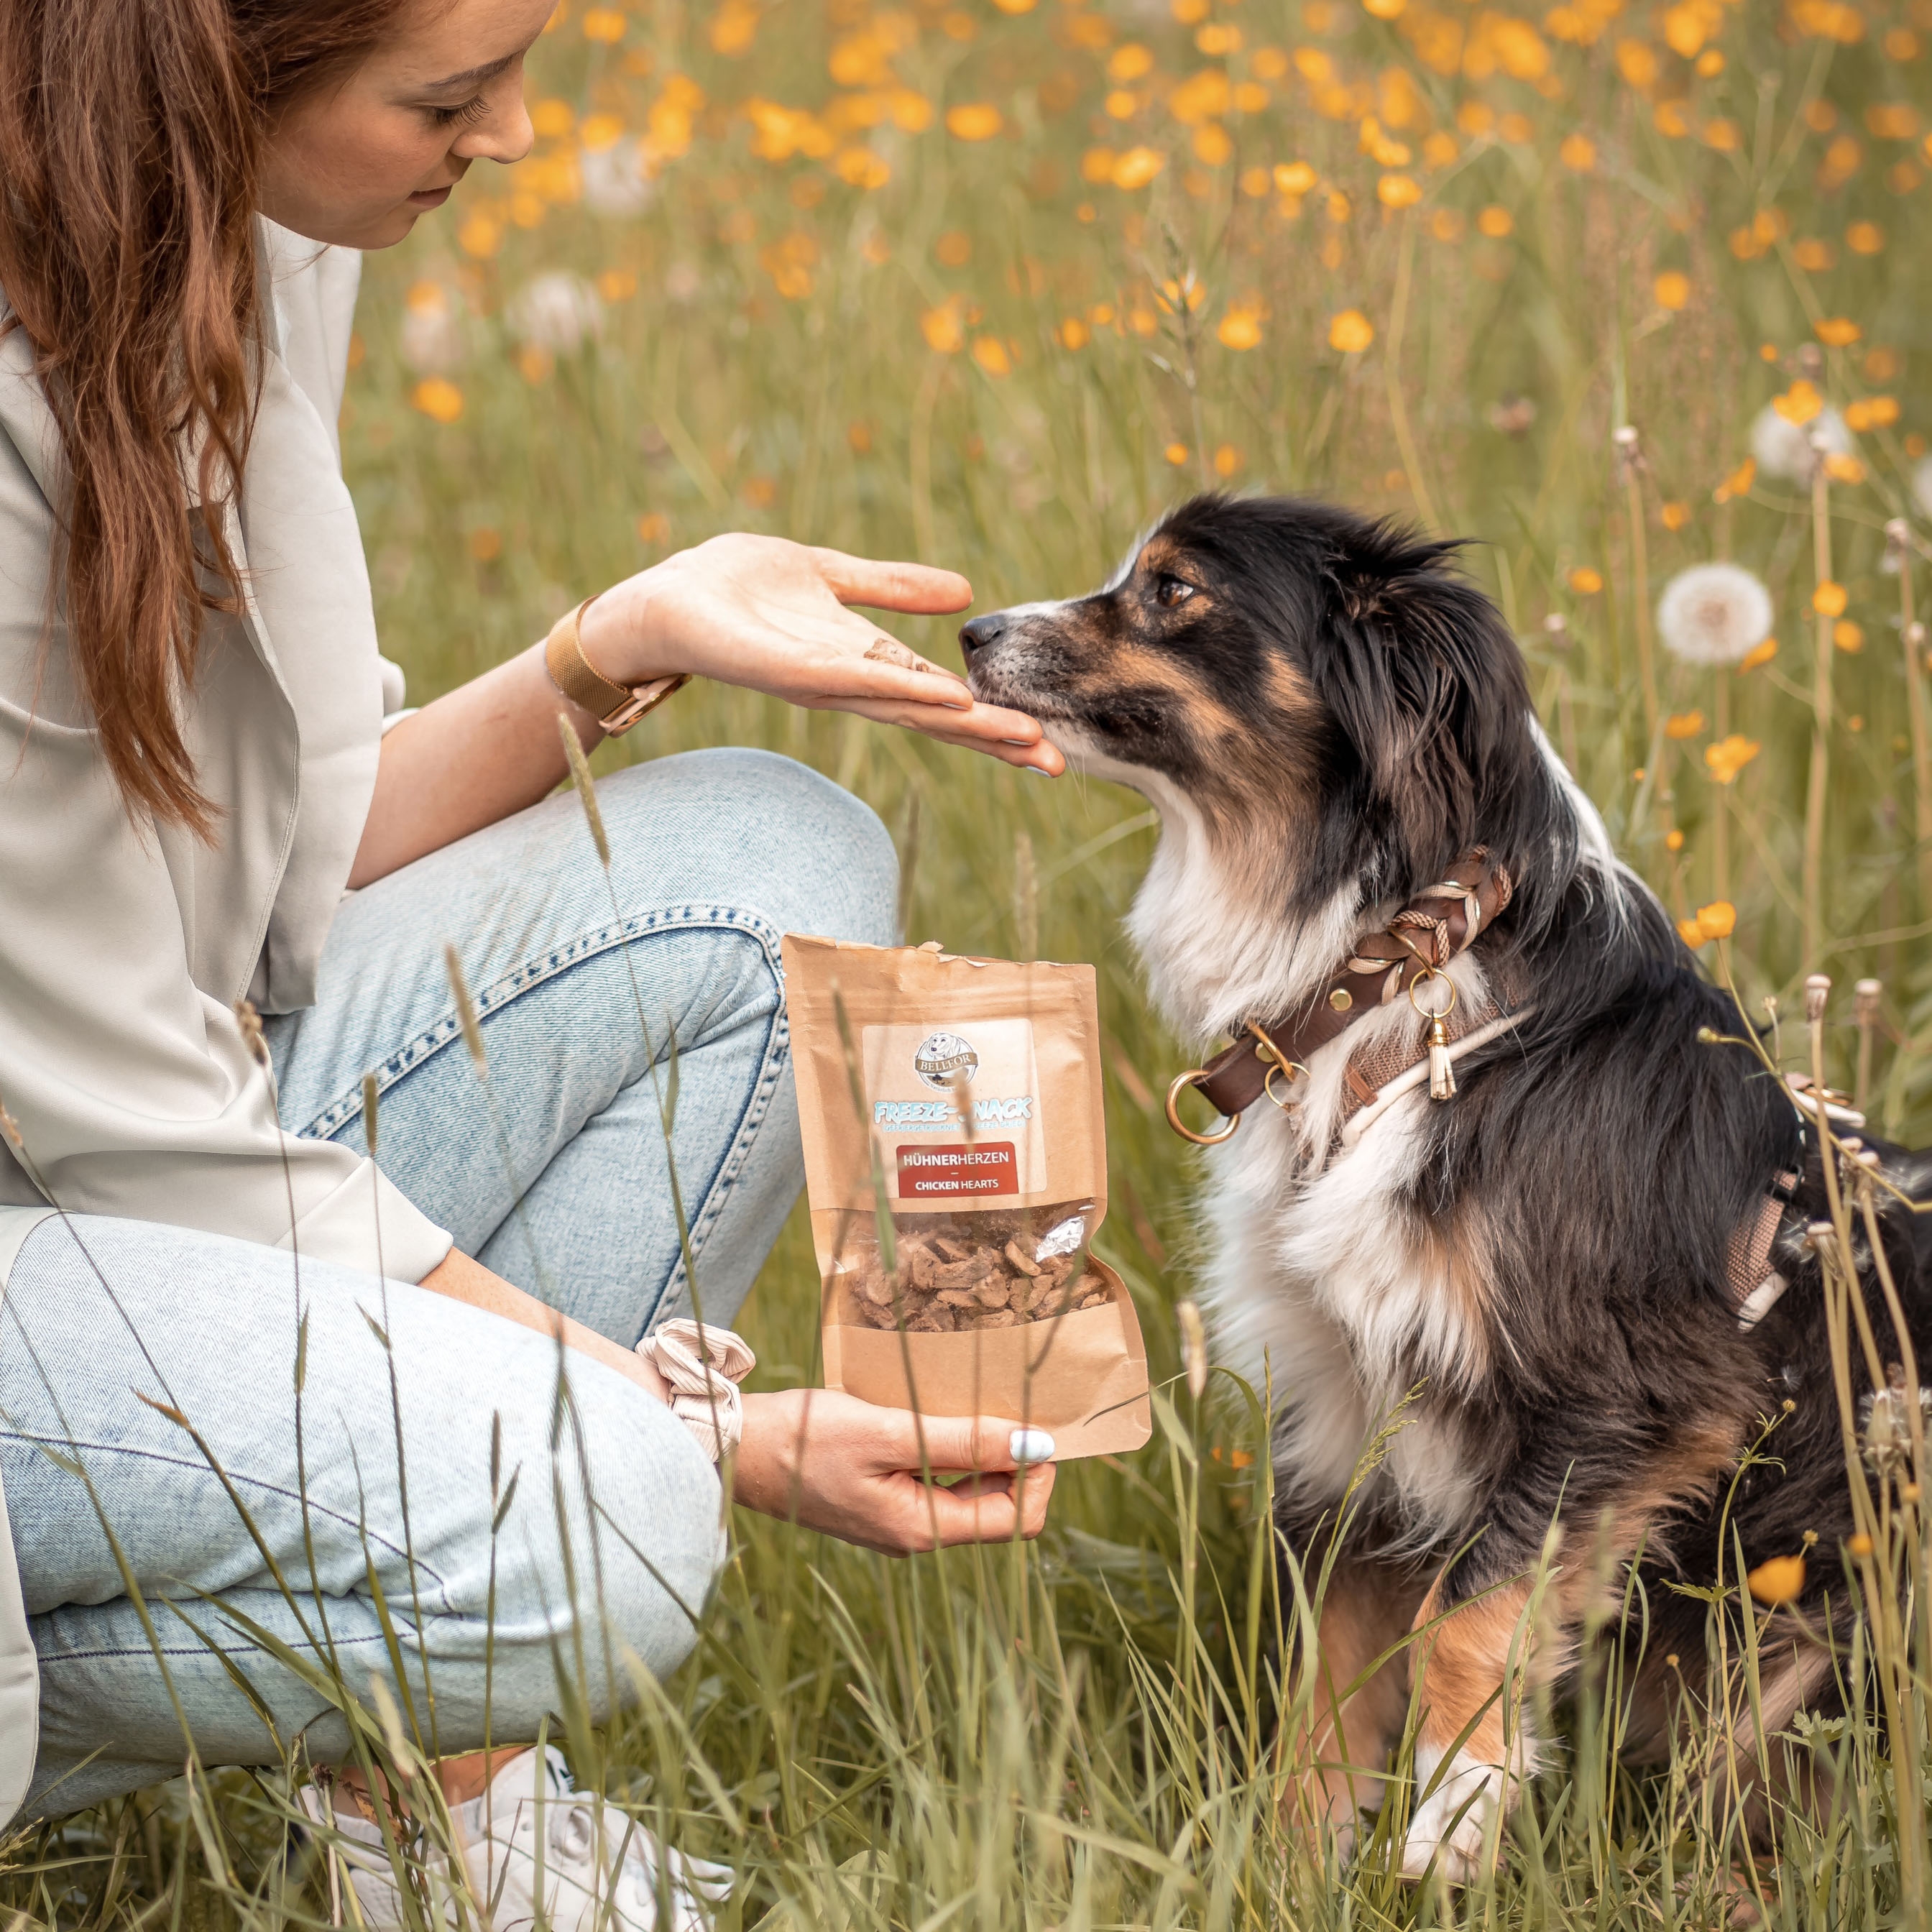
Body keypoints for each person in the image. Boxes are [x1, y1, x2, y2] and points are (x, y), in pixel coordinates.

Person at [0, 0, 1069, 1918]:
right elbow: (139, 1143)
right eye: (445, 92)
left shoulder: (240, 237)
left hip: (104, 1139)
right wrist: (708, 1425)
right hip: (66, 1193)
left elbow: (273, 862)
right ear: (216, 64)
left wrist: (618, 643)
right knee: (615, 1515)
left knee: (775, 865)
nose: (509, 134)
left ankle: (426, 1799)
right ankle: (400, 1709)